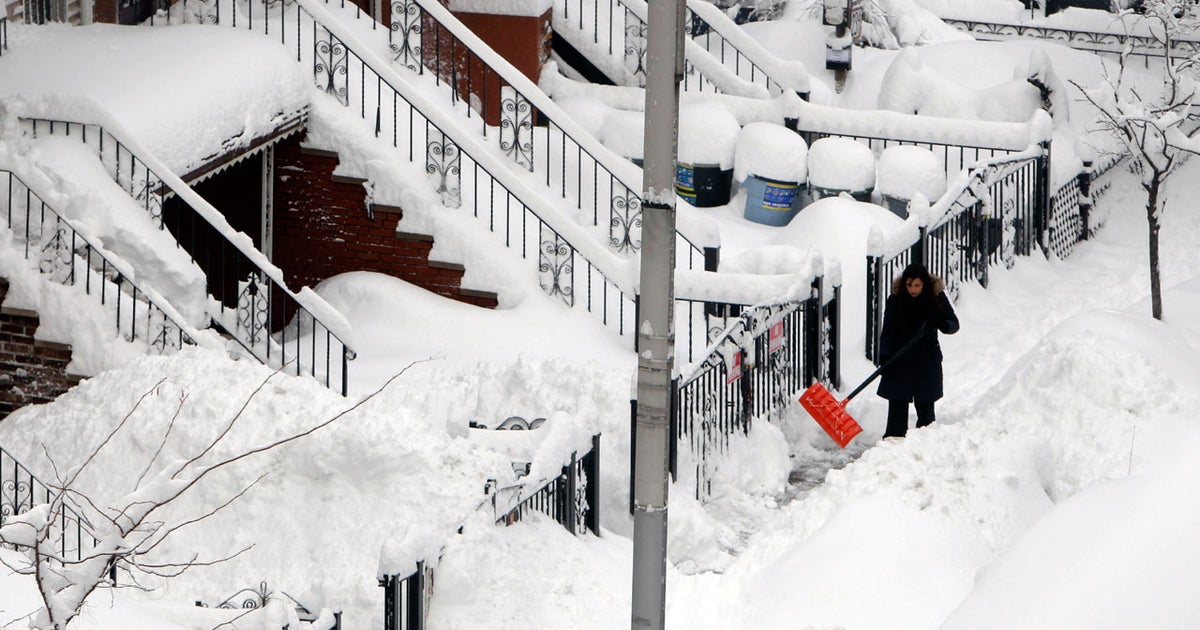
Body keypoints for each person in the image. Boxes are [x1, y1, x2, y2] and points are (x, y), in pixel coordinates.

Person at [877, 262, 959, 438]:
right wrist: (885, 356)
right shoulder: (896, 300)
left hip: (926, 361)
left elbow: (953, 324)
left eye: (917, 285)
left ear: (924, 284)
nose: (913, 289)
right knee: (897, 406)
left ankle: (926, 444)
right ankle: (893, 443)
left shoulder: (936, 298)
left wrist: (940, 323)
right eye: (909, 285)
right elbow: (887, 331)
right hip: (900, 361)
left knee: (925, 407)